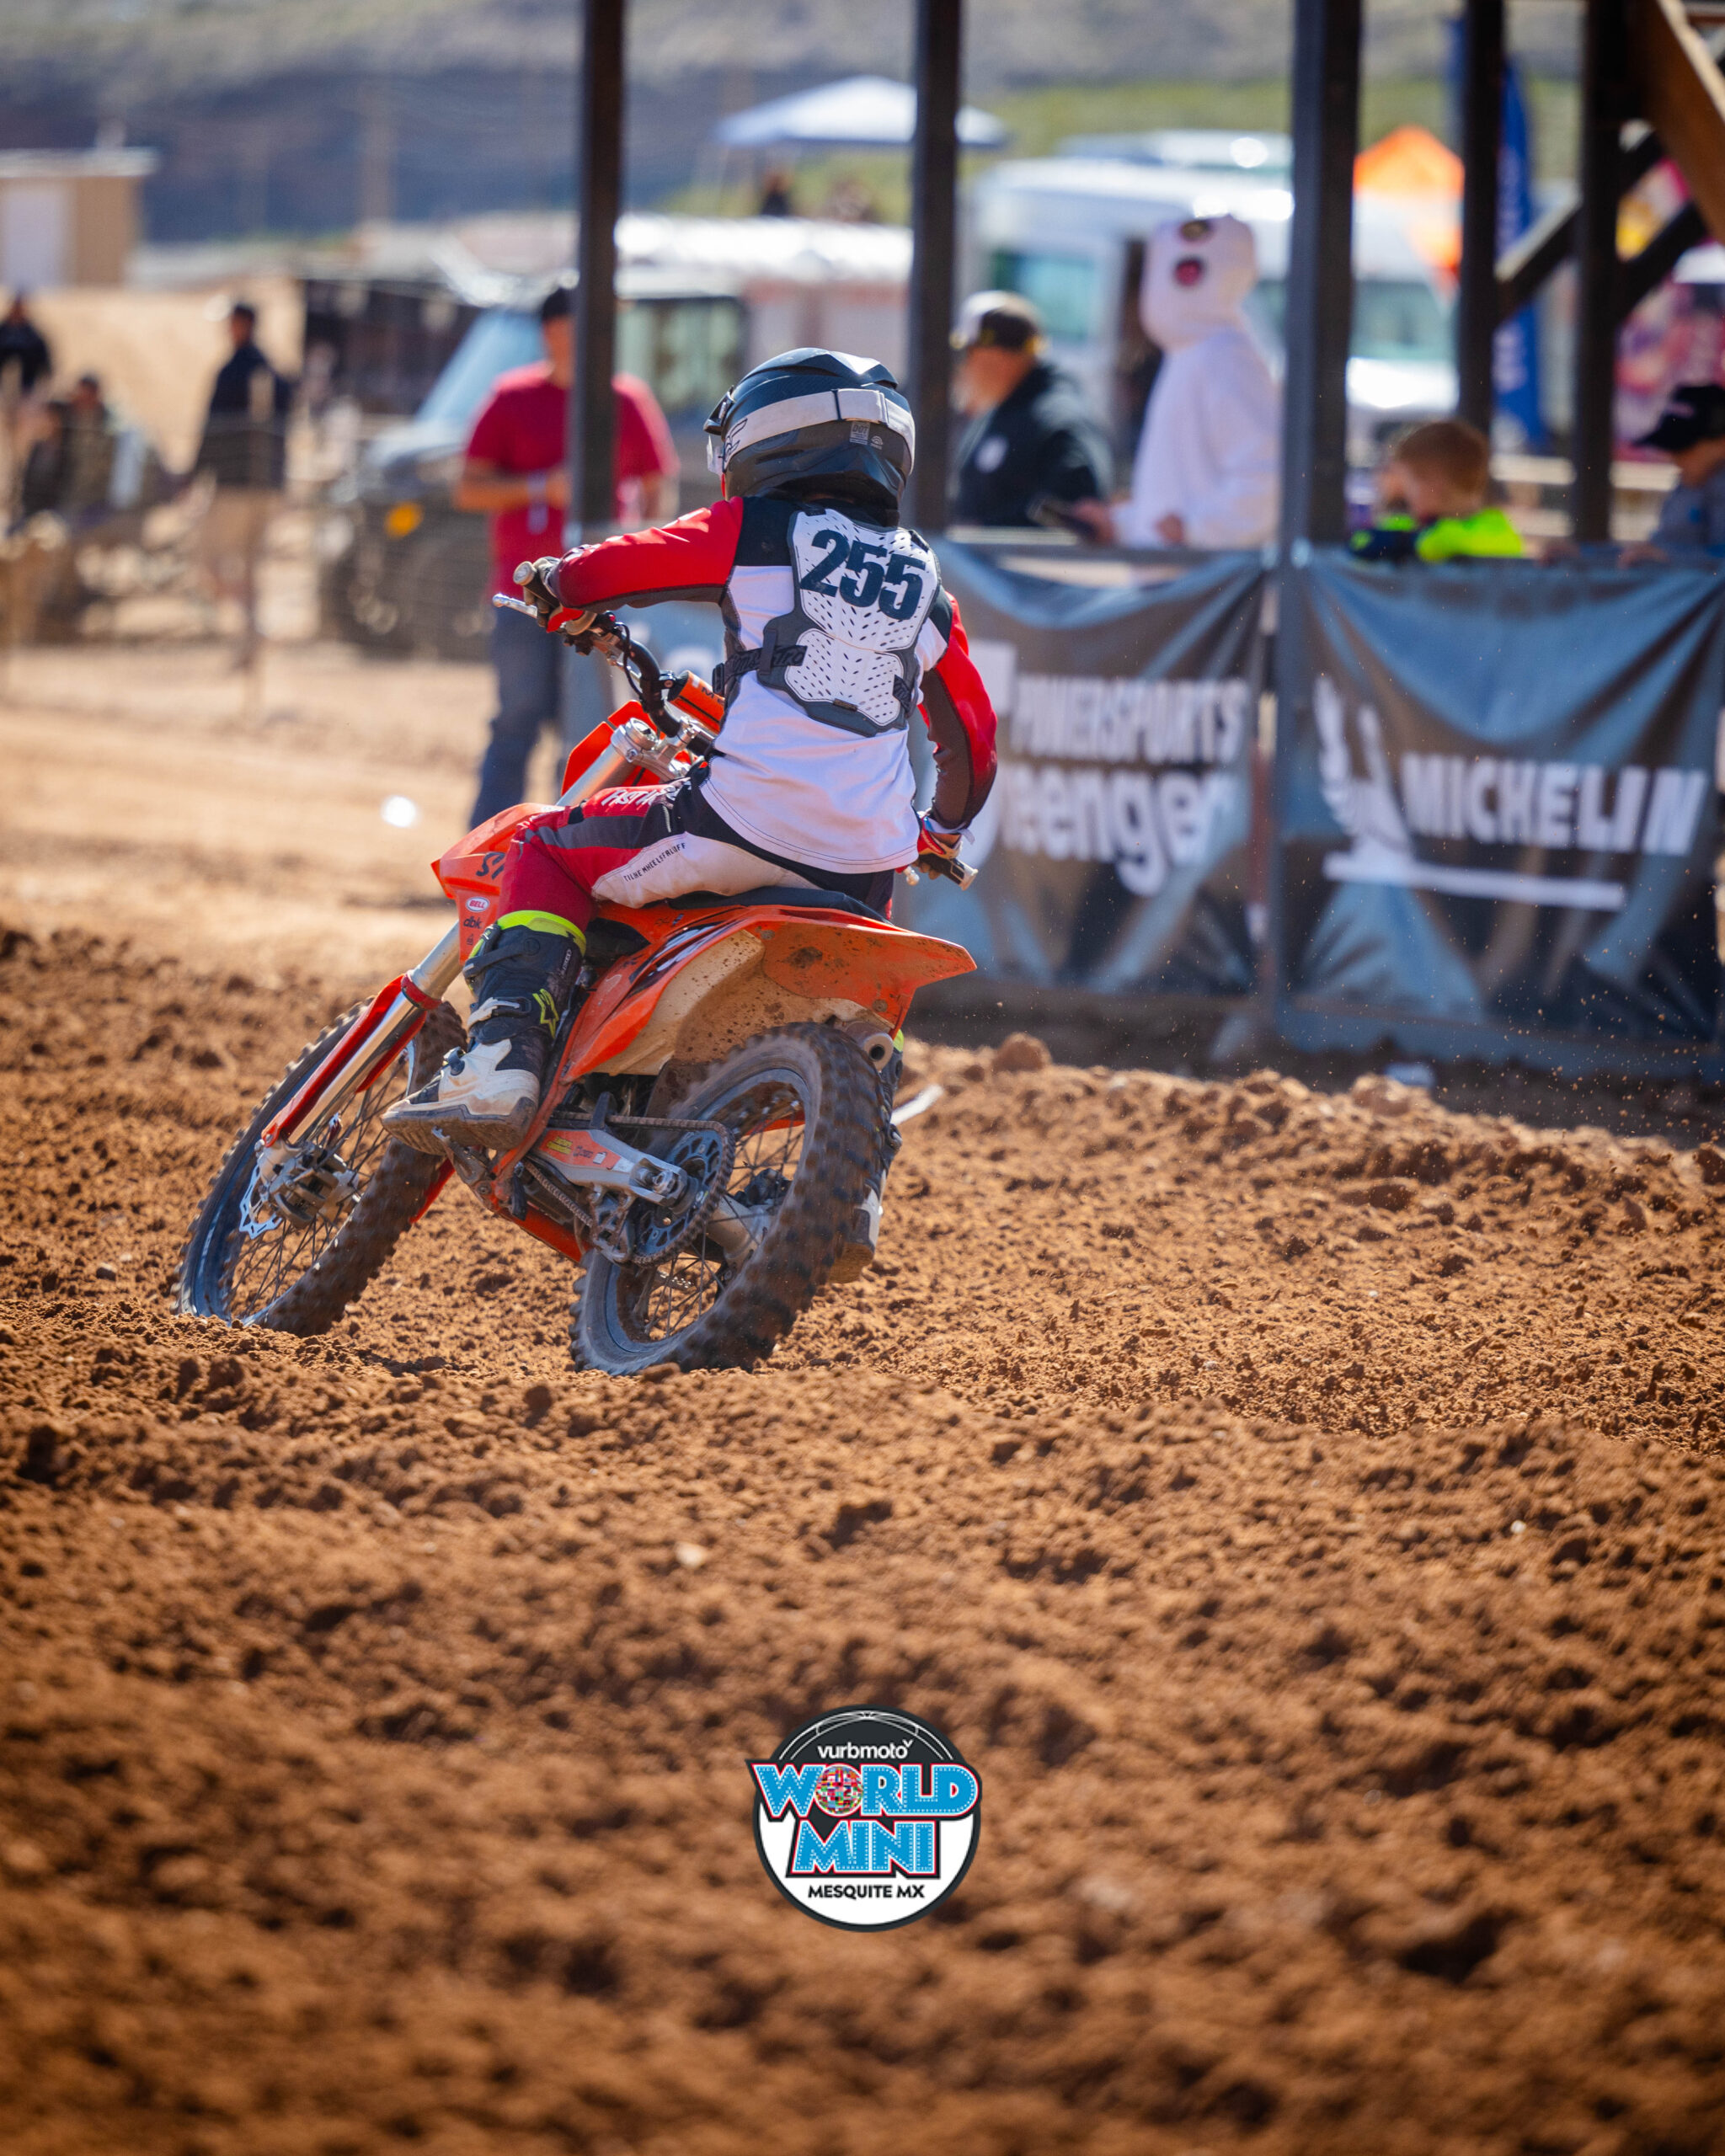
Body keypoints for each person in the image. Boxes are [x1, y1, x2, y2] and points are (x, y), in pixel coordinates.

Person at [387, 346, 999, 1152]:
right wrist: (941, 834)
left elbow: (630, 564)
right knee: (860, 1024)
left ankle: (502, 1061)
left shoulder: (759, 528)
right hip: (868, 868)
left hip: (737, 821)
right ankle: (858, 1171)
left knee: (544, 847)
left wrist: (558, 584)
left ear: (767, 439)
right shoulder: (927, 585)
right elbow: (973, 745)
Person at [457, 279, 680, 826]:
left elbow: (658, 485)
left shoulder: (626, 399)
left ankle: (573, 840)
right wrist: (540, 488)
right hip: (522, 599)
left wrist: (642, 557)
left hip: (603, 600)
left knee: (591, 730)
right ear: (554, 330)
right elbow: (468, 488)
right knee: (517, 720)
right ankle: (492, 842)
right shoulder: (512, 397)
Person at [1103, 214, 1279, 550]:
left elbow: (1268, 481)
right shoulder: (1192, 355)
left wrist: (1197, 530)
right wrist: (1121, 524)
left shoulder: (1224, 358)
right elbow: (1177, 498)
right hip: (1183, 575)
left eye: (1189, 273)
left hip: (1203, 577)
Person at [950, 291, 1112, 531]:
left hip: (1020, 557)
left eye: (967, 354)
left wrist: (983, 531)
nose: (962, 367)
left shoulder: (1057, 417)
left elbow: (1076, 509)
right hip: (978, 555)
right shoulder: (1002, 409)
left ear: (996, 357)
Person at [194, 301, 292, 661]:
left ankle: (254, 629)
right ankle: (252, 638)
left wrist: (195, 475)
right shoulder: (274, 374)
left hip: (237, 486)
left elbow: (213, 429)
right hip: (268, 487)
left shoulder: (233, 373)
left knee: (208, 564)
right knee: (248, 567)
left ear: (241, 324)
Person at [1349, 419, 1521, 562]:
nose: (1407, 494)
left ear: (1433, 486)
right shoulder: (1412, 525)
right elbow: (1361, 541)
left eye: (1410, 484)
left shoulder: (1495, 529)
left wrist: (1406, 542)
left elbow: (1444, 541)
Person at [1628, 382, 1725, 554]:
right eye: (1672, 448)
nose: (1675, 459)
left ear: (1721, 443)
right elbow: (1656, 548)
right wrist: (1586, 553)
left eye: (1685, 448)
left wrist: (1670, 557)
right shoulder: (1691, 484)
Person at [0, 294, 53, 521]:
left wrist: (37, 397)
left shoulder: (34, 337)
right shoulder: (3, 332)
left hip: (25, 400)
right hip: (3, 399)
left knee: (22, 451)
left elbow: (47, 369)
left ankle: (18, 492)